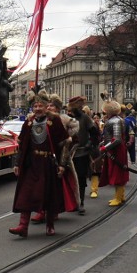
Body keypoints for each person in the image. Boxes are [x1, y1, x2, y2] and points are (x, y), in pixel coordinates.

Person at [10, 89, 69, 237]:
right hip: (31, 164)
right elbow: (22, 144)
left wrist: (62, 165)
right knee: (26, 194)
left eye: (40, 106)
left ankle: (50, 225)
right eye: (35, 106)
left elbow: (64, 144)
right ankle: (23, 226)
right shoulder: (29, 122)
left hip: (48, 164)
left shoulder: (54, 121)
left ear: (45, 106)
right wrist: (17, 164)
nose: (37, 109)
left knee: (49, 195)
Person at [31, 94, 78, 224]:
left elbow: (73, 129)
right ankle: (41, 211)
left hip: (59, 154)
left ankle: (54, 210)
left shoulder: (61, 119)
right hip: (42, 156)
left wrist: (68, 137)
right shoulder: (39, 119)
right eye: (49, 104)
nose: (49, 107)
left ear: (57, 108)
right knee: (41, 185)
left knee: (58, 184)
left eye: (52, 105)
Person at [68, 96, 98, 214]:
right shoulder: (67, 118)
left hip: (81, 152)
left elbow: (94, 134)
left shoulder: (85, 118)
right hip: (68, 153)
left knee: (80, 178)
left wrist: (89, 144)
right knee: (68, 178)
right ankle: (70, 202)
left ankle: (80, 202)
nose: (78, 108)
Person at [99, 98, 130, 207]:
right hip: (114, 149)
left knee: (118, 174)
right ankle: (120, 196)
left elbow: (116, 139)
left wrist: (105, 148)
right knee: (117, 172)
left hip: (116, 150)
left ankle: (119, 197)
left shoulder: (115, 121)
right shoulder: (116, 120)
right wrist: (103, 143)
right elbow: (110, 137)